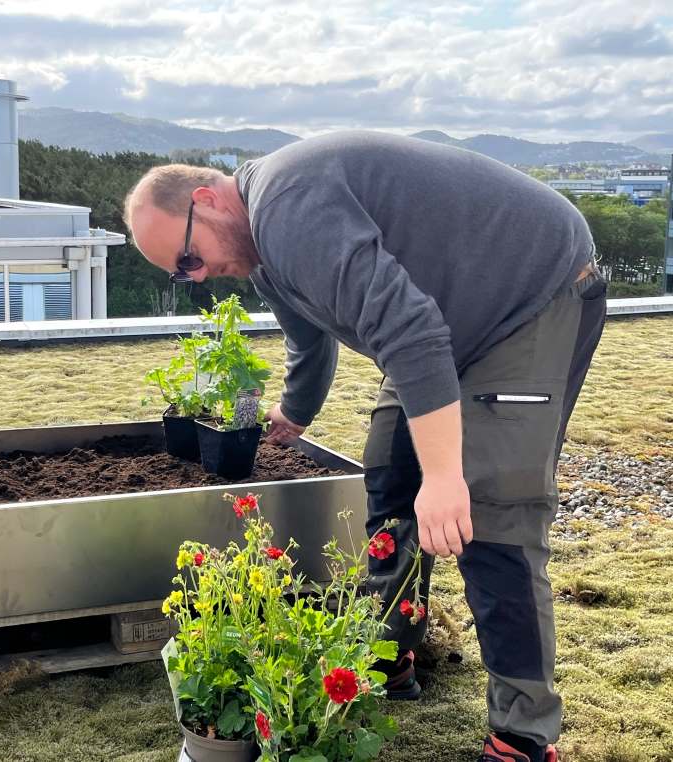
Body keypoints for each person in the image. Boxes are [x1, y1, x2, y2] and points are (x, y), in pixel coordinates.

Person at [124, 131, 606, 762]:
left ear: (209, 199)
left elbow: (408, 332)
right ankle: (391, 652)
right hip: (445, 325)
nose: (200, 277)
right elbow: (310, 336)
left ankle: (523, 733)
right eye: (183, 276)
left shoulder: (290, 207)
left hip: (530, 297)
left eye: (189, 259)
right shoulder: (262, 249)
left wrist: (444, 477)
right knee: (388, 469)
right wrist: (295, 413)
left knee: (491, 510)